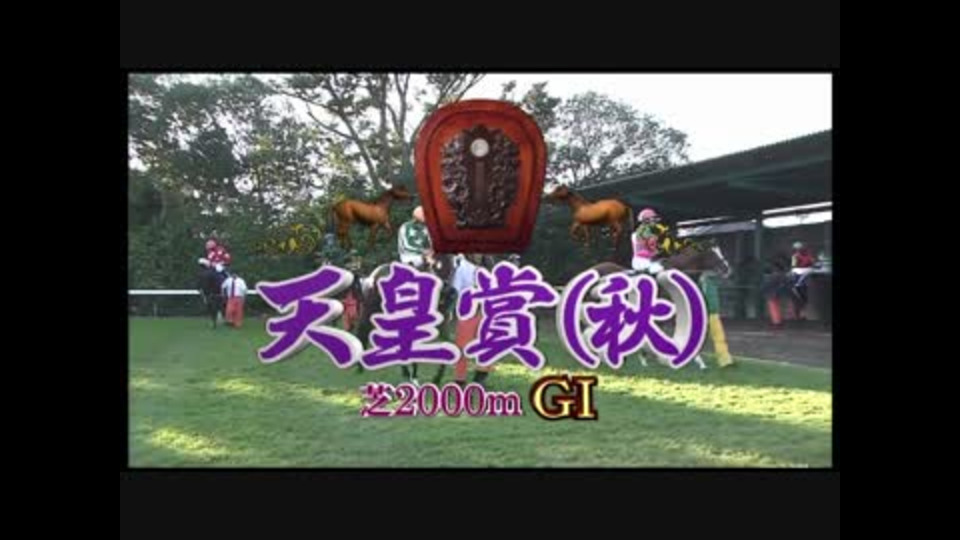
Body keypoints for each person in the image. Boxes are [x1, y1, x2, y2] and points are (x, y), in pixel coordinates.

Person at [450, 253, 493, 387]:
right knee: (463, 346)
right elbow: (455, 289)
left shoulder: (488, 268)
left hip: (485, 311)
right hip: (467, 311)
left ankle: (481, 376)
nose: (478, 254)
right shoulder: (462, 268)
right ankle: (460, 378)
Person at [631, 208, 664, 274]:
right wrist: (657, 252)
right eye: (652, 219)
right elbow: (643, 251)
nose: (654, 222)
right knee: (659, 269)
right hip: (642, 262)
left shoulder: (652, 233)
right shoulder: (641, 234)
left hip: (646, 260)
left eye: (654, 219)